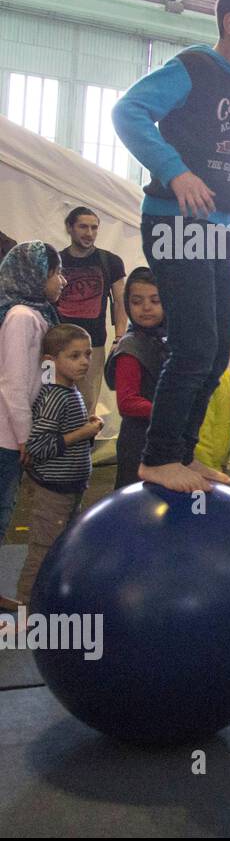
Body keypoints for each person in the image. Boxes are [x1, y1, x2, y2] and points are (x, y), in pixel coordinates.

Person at [112, 0, 230, 495]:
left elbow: (228, 151)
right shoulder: (192, 67)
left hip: (213, 227)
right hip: (174, 220)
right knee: (192, 346)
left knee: (215, 353)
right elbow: (129, 112)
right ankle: (158, 457)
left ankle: (181, 454)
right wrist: (174, 171)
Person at [15, 324, 100, 603]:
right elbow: (38, 446)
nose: (85, 361)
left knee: (63, 547)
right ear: (51, 362)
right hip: (53, 491)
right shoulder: (54, 396)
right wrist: (83, 434)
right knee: (44, 549)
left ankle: (53, 600)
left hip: (70, 487)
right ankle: (28, 604)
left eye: (87, 354)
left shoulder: (69, 391)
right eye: (74, 356)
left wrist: (87, 428)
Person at [0, 242, 63, 598]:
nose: (62, 282)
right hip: (6, 436)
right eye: (56, 274)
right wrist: (26, 437)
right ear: (35, 276)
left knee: (5, 511)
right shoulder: (22, 317)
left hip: (14, 435)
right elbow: (13, 382)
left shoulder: (36, 314)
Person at [56, 206, 126, 422]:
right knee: (53, 401)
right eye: (83, 227)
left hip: (92, 346)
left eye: (94, 228)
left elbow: (120, 302)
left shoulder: (110, 261)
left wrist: (119, 338)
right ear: (69, 227)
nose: (89, 233)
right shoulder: (56, 261)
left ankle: (84, 451)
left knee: (87, 406)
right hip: (58, 345)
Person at [104, 268, 168, 490]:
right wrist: (171, 411)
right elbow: (127, 403)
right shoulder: (131, 346)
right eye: (137, 301)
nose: (146, 308)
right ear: (128, 305)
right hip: (139, 440)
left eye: (155, 300)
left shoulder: (167, 338)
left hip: (165, 437)